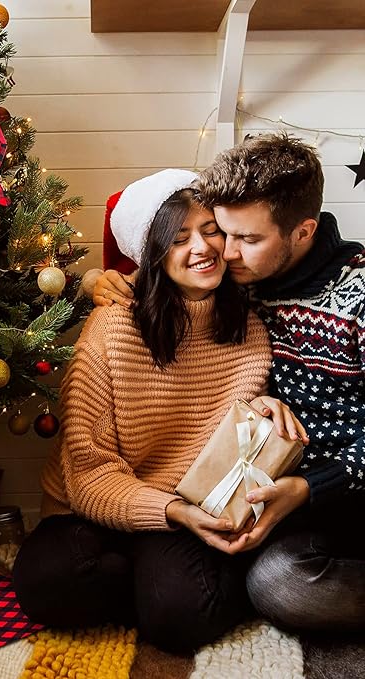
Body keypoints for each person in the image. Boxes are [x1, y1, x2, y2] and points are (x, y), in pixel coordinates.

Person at [12, 169, 307, 653]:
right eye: (178, 238)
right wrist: (166, 512)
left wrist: (261, 407)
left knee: (179, 621)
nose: (202, 248)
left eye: (210, 230)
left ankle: (164, 590)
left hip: (190, 508)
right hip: (101, 504)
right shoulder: (111, 329)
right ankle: (156, 586)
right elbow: (89, 474)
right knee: (45, 584)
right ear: (152, 253)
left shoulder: (249, 325)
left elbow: (232, 437)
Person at [93, 133, 365, 632]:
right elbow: (156, 261)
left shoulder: (357, 293)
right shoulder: (239, 282)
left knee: (277, 585)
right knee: (269, 581)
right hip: (269, 492)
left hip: (347, 490)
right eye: (224, 231)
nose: (226, 253)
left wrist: (308, 487)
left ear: (303, 232)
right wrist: (97, 278)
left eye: (249, 239)